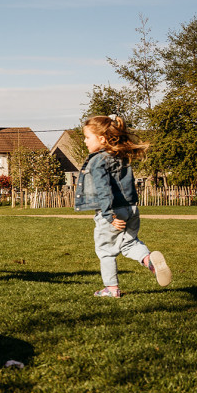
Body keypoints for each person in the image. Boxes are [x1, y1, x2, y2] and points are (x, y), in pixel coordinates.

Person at [74, 114, 171, 297]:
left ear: (102, 139)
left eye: (87, 137)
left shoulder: (97, 160)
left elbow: (103, 190)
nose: (85, 142)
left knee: (106, 251)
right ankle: (149, 260)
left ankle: (111, 289)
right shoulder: (121, 156)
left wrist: (109, 215)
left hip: (113, 212)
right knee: (129, 244)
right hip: (131, 209)